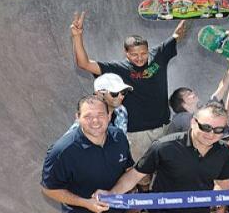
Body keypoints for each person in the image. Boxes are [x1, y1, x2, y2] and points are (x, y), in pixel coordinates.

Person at [70, 12, 188, 163]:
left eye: (143, 53)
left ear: (148, 50)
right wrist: (77, 36)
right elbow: (84, 63)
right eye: (134, 55)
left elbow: (178, 34)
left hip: (163, 128)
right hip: (137, 133)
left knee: (166, 168)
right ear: (125, 53)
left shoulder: (159, 55)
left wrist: (188, 12)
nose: (139, 58)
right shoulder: (118, 68)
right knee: (141, 174)